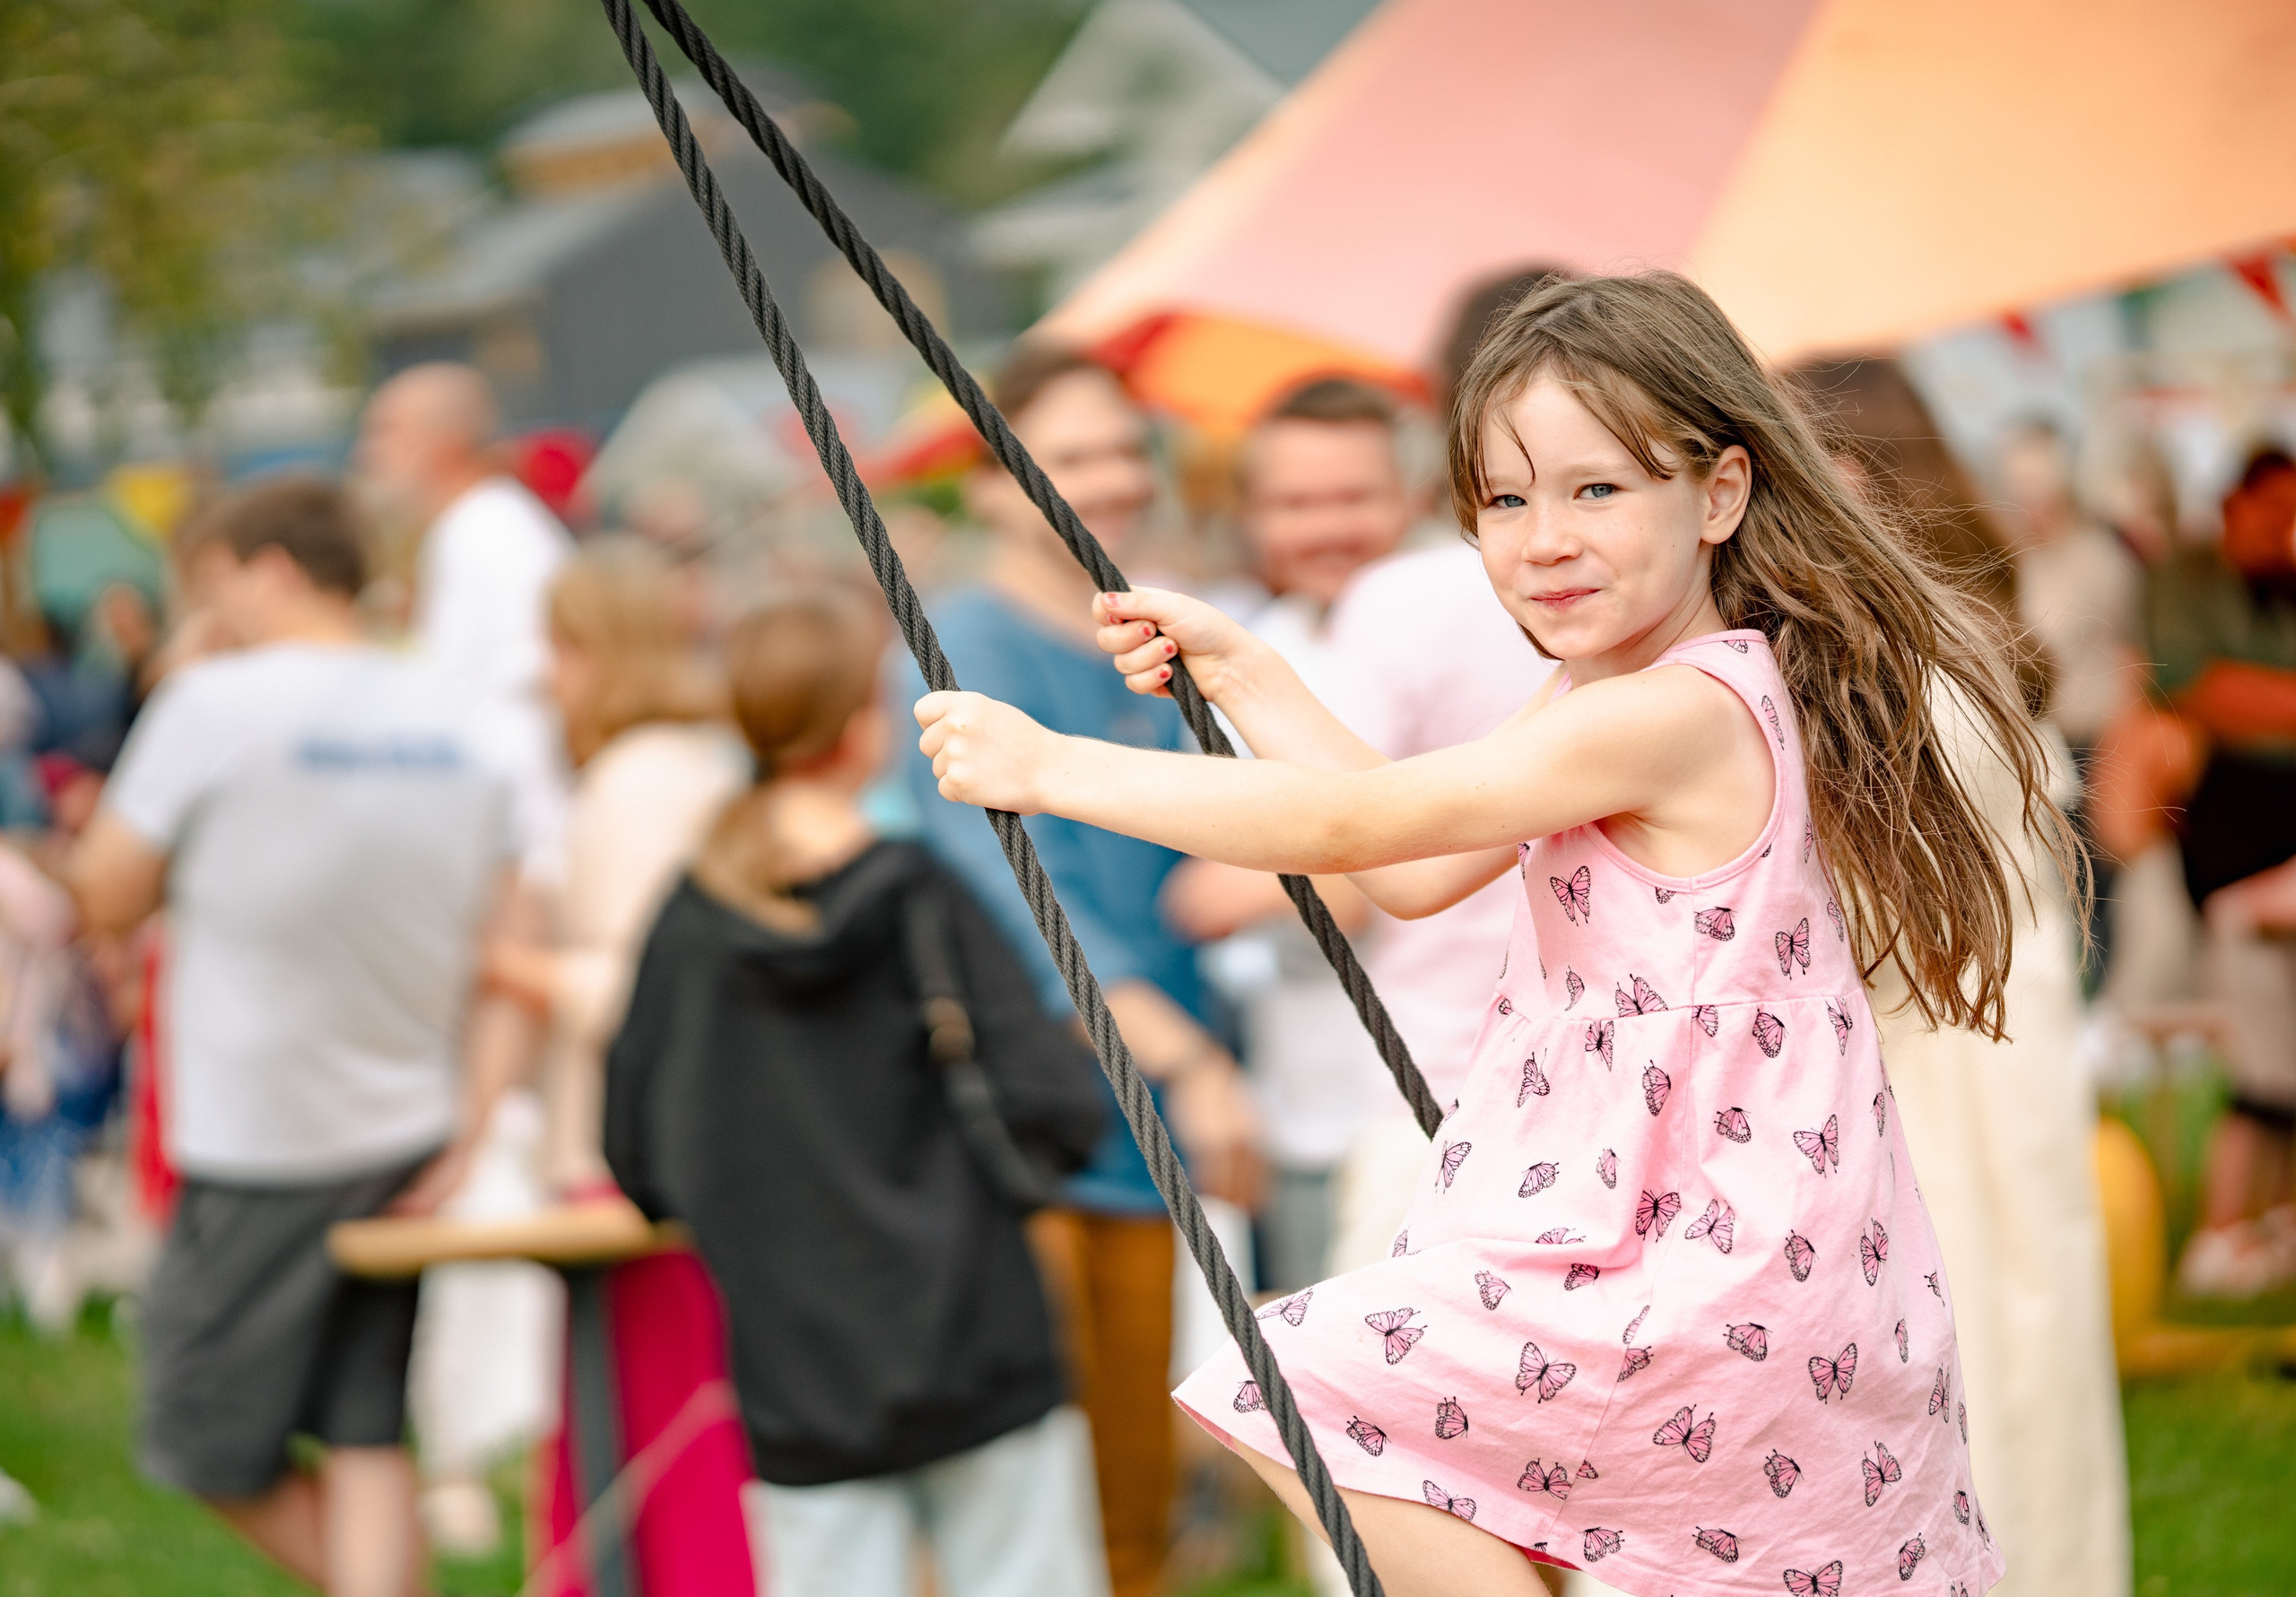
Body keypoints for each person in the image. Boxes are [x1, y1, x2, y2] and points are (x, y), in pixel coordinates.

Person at [916, 272, 2076, 1597]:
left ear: (1719, 495)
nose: (1545, 540)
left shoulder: (1666, 713)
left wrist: (1052, 768)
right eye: (1507, 500)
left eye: (1597, 489)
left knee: (1297, 1383)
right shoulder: (1603, 694)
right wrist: (1250, 677)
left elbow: (1352, 826)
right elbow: (1412, 865)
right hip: (1700, 1246)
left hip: (1701, 1261)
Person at [65, 476, 529, 1597]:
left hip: (261, 1136)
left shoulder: (212, 702)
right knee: (363, 1421)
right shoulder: (460, 711)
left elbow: (104, 892)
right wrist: (472, 1122)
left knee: (195, 1428)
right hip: (409, 1123)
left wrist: (176, 688)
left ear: (268, 570)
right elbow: (511, 945)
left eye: (210, 584)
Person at [605, 590, 1109, 1597]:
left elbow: (635, 1153)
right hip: (978, 1329)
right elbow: (1057, 1101)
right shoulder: (918, 893)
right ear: (859, 726)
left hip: (796, 1359)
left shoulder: (690, 922)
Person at [892, 343, 1261, 1597]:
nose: (1107, 479)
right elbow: (1025, 899)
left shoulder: (1154, 637)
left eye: (1122, 449)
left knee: (1135, 1492)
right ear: (989, 481)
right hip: (1040, 1114)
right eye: (1069, 456)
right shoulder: (964, 644)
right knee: (1029, 1503)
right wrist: (1191, 1064)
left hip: (1159, 1108)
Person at [1792, 358, 2131, 1597]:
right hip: (1996, 1050)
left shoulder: (1895, 666)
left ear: (1861, 481)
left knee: (1968, 1359)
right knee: (2015, 1360)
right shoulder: (1961, 631)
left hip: (1926, 1063)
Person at [475, 540, 758, 1594]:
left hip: (626, 1153)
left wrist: (507, 963)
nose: (548, 675)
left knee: (651, 1441)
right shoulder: (695, 763)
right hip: (677, 1147)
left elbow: (647, 985)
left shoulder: (637, 781)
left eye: (560, 648)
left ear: (599, 650)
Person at [354, 360, 570, 1546]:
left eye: (386, 430)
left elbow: (501, 724)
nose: (370, 450)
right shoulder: (479, 535)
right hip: (491, 866)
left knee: (489, 1142)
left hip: (506, 875)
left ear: (440, 441)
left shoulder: (492, 537)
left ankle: (495, 1435)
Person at [1313, 273, 1562, 1299]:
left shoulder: (1405, 598)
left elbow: (1351, 845)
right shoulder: (1673, 609)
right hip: (1621, 1102)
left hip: (1442, 1080)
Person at [1167, 378, 1415, 1292]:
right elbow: (1202, 879)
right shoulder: (1243, 649)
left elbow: (1455, 857)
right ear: (1253, 515)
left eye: (1353, 496)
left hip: (1451, 1086)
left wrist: (1273, 874)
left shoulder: (1468, 626)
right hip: (1301, 1096)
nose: (1326, 527)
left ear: (1411, 497)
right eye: (1296, 503)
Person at [2118, 447, 2296, 1293]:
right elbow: (2199, 686)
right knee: (2265, 1066)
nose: (2283, 528)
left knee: (2279, 1063)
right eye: (2273, 510)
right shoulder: (2186, 582)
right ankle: (2223, 1231)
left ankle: (2267, 1223)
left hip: (2270, 869)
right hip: (2229, 864)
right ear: (2233, 504)